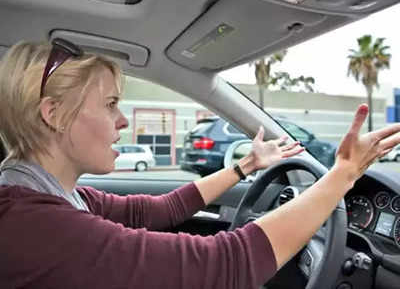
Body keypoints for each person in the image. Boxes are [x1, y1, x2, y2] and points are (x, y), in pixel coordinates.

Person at [0, 38, 399, 289]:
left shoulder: (56, 198)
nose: (122, 120)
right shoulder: (33, 224)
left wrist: (244, 167)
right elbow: (229, 263)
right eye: (110, 105)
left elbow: (157, 210)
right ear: (52, 113)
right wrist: (344, 174)